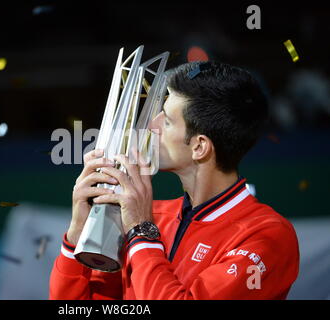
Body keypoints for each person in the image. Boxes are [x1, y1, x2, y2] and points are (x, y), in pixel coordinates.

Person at [49, 61, 300, 300]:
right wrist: (76, 235)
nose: (151, 124)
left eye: (166, 121)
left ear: (200, 147)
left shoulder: (268, 237)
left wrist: (141, 231)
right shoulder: (151, 214)